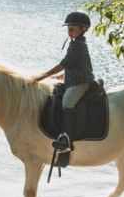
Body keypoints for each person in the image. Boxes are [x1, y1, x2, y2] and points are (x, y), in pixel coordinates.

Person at [32, 11, 95, 152]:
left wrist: (42, 76)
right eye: (68, 29)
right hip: (73, 81)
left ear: (83, 29)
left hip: (81, 83)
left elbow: (63, 64)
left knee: (67, 103)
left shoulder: (78, 46)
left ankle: (66, 139)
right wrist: (60, 77)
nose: (70, 31)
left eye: (72, 29)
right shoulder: (75, 43)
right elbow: (73, 66)